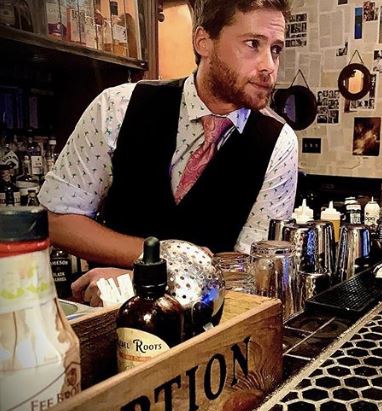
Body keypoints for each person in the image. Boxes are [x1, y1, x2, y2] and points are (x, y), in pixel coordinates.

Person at [38, 0, 298, 304]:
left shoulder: (278, 143)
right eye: (253, 44)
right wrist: (162, 255)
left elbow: (252, 275)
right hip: (108, 319)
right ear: (203, 41)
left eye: (276, 49)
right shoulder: (118, 107)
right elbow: (56, 220)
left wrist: (138, 280)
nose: (269, 66)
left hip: (212, 325)